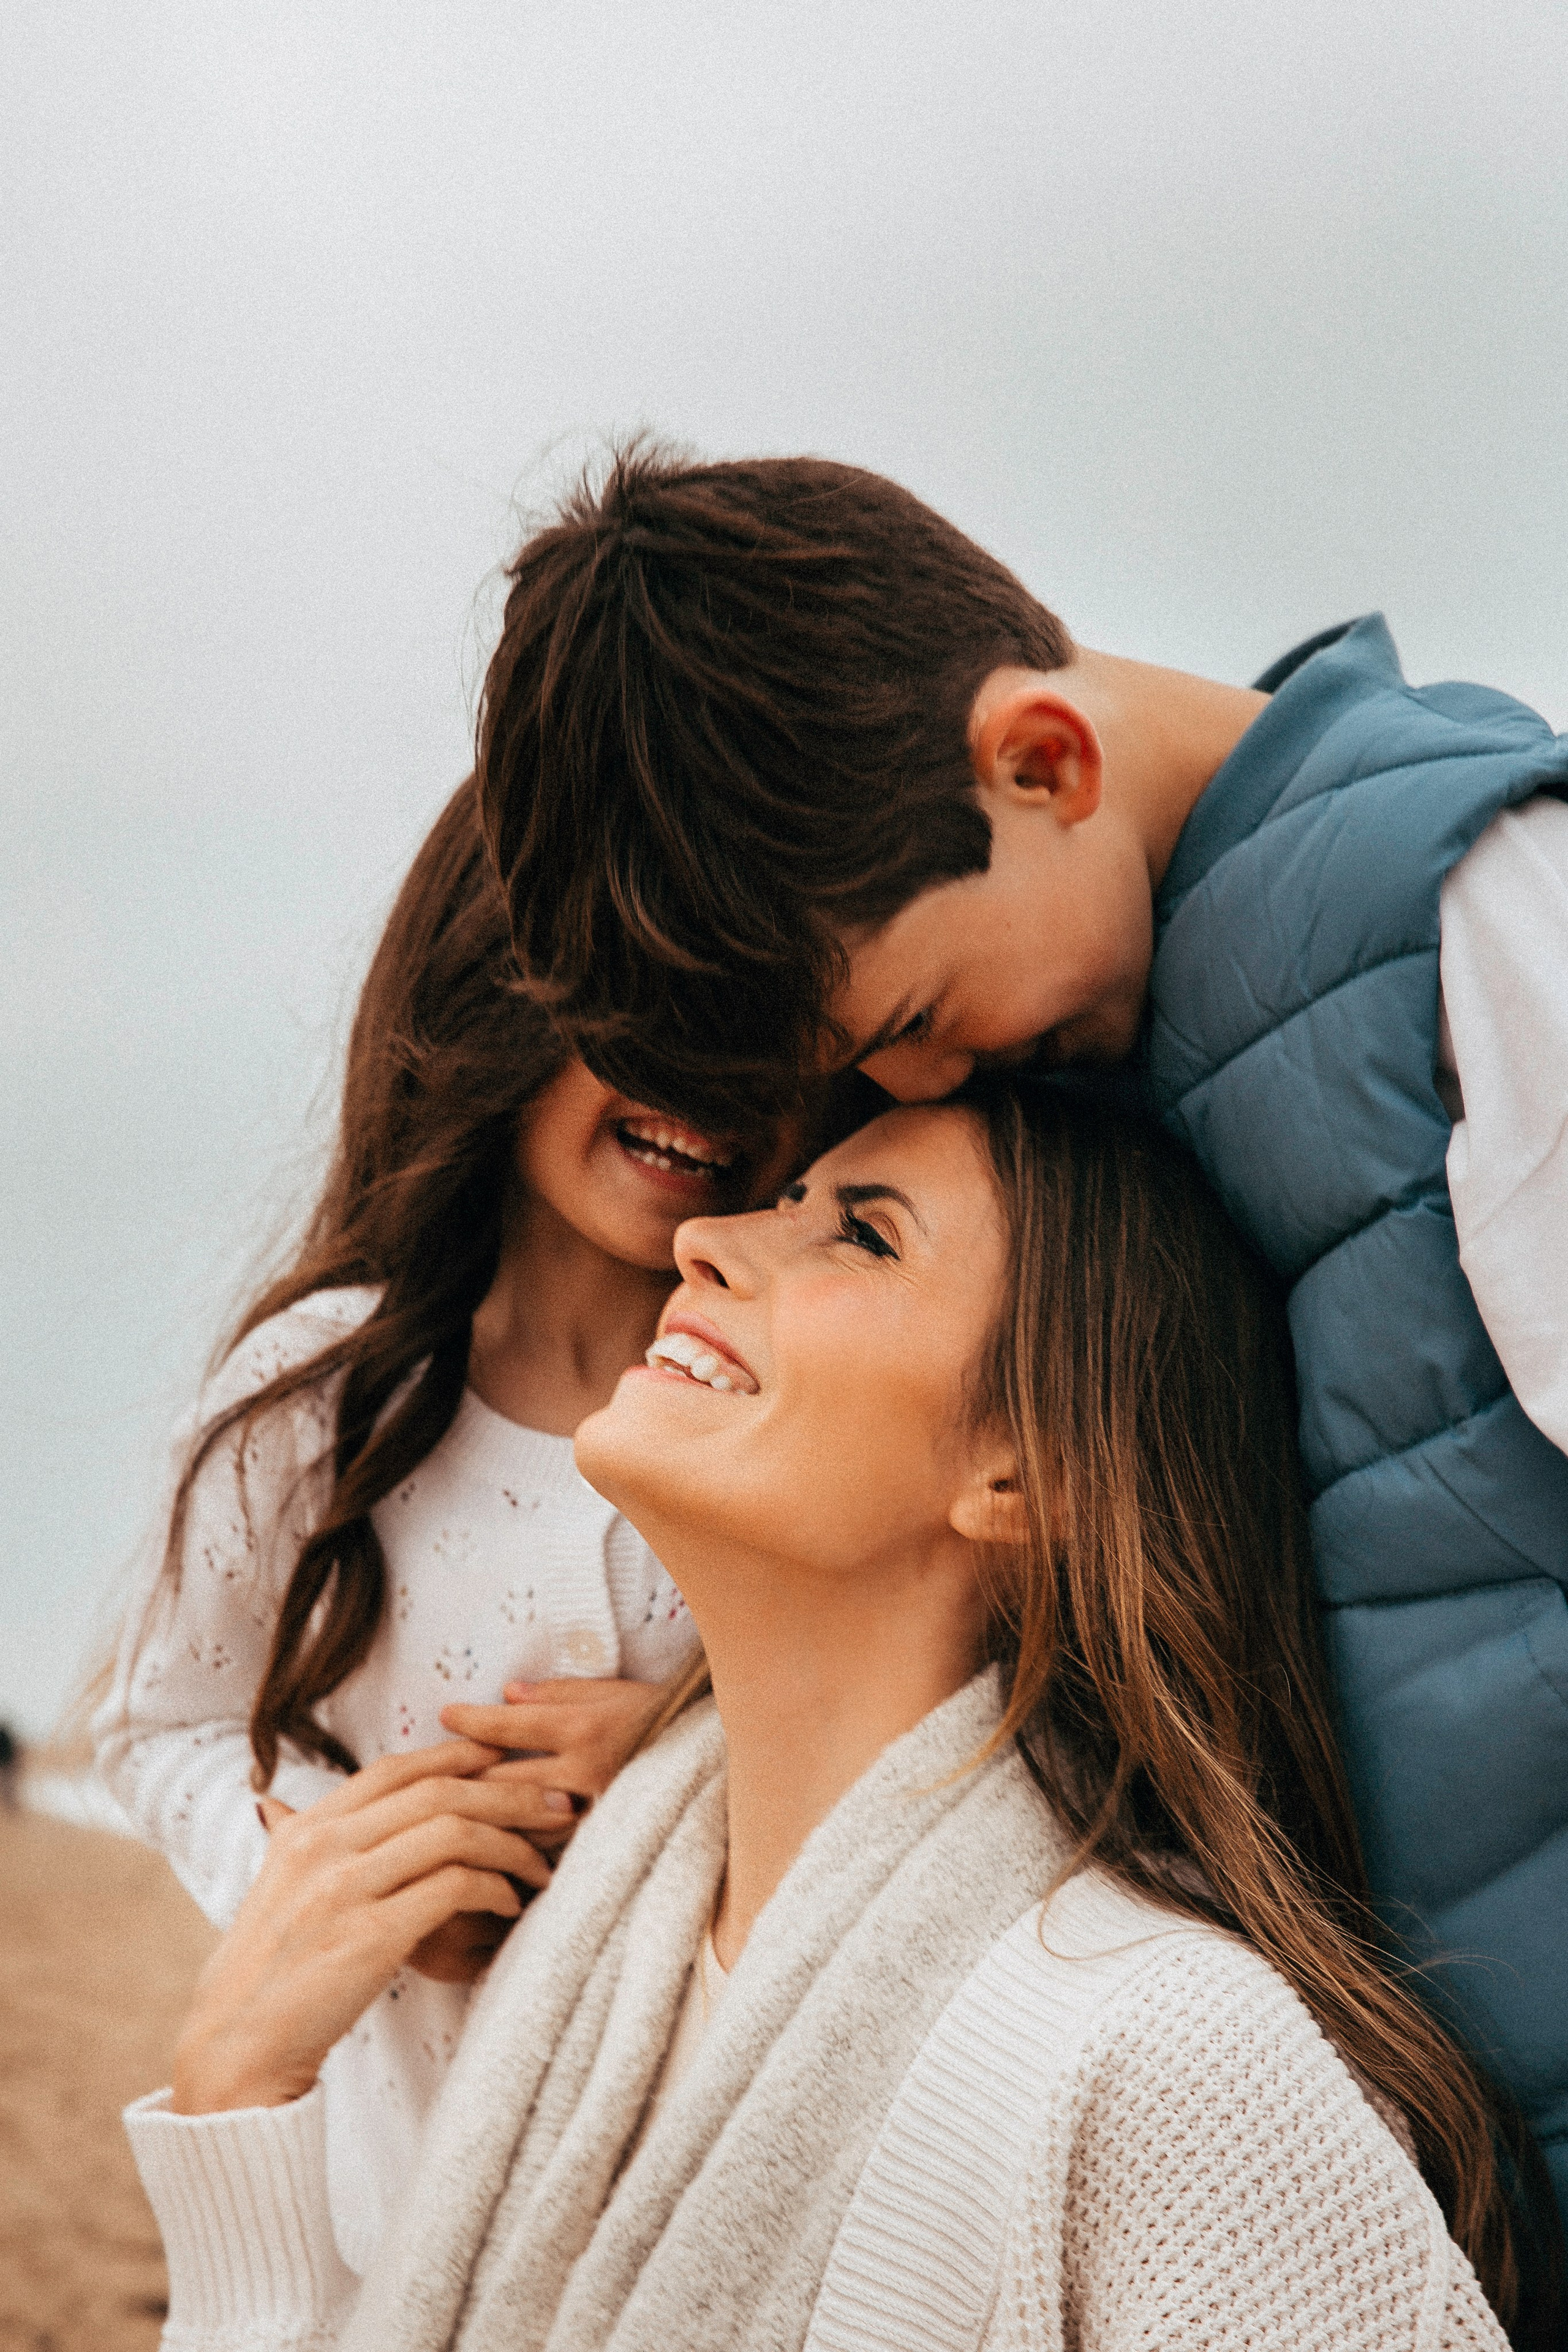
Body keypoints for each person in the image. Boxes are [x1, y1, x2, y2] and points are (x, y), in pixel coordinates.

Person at [470, 445, 1568, 2235]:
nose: (911, 1086)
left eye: (910, 1016)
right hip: (1404, 2152)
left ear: (1041, 763)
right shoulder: (1103, 1016)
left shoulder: (1477, 907)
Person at [125, 1087, 1550, 2347]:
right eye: (780, 1203)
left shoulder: (1166, 2061)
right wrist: (243, 2097)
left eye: (858, 1235)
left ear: (1022, 1475)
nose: (706, 1240)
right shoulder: (608, 1954)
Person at [92, 776, 797, 2269]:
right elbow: (162, 1729)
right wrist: (347, 1873)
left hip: (699, 2219)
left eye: (767, 1014)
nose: (708, 1068)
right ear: (498, 984)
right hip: (386, 2209)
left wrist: (687, 1764)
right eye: (653, 990)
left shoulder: (796, 1404)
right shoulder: (319, 1398)